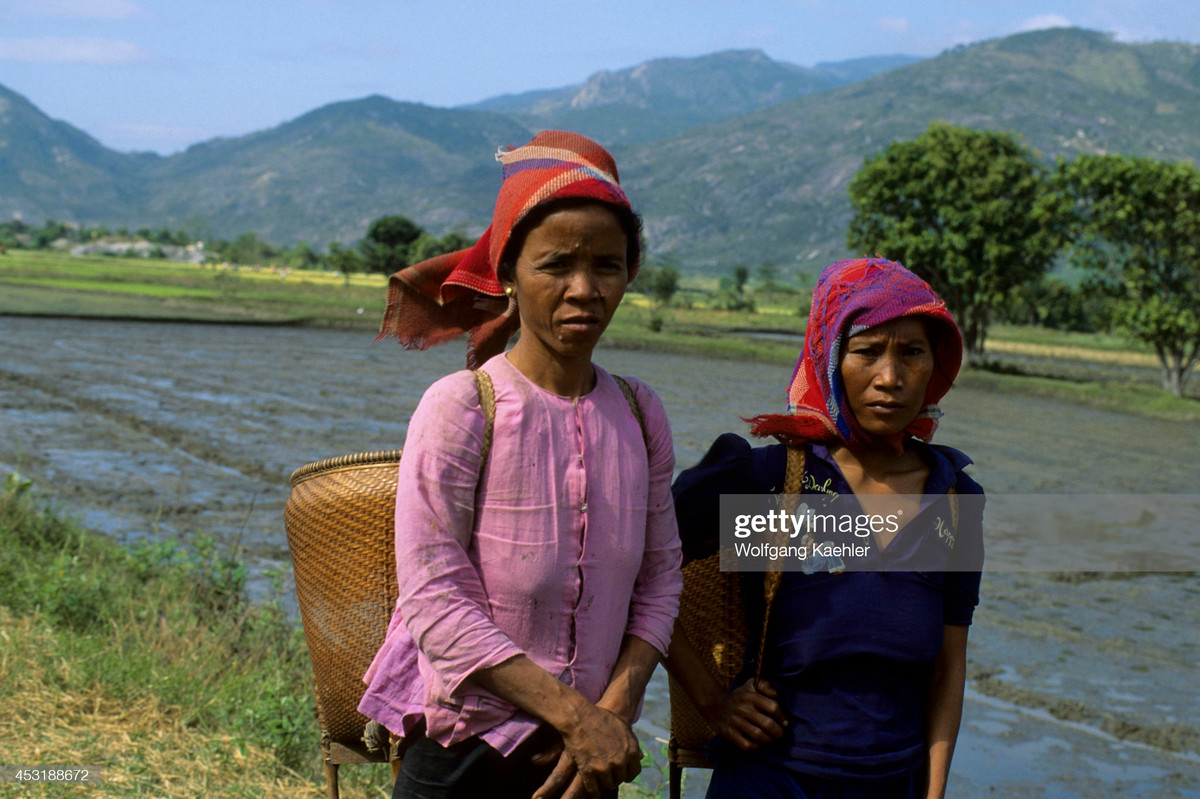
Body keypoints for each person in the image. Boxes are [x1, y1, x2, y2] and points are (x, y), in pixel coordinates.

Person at [358, 131, 682, 799]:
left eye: (608, 266)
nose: (584, 289)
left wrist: (614, 709)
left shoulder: (641, 411)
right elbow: (434, 597)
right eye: (556, 264)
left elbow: (660, 579)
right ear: (509, 272)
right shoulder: (464, 404)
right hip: (467, 750)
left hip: (584, 761)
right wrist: (575, 715)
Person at [666, 257, 984, 799]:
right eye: (866, 352)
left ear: (937, 364)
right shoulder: (772, 483)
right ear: (830, 358)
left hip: (893, 785)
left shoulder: (952, 500)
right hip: (768, 781)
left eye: (912, 353)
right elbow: (637, 569)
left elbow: (948, 668)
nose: (890, 378)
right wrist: (713, 701)